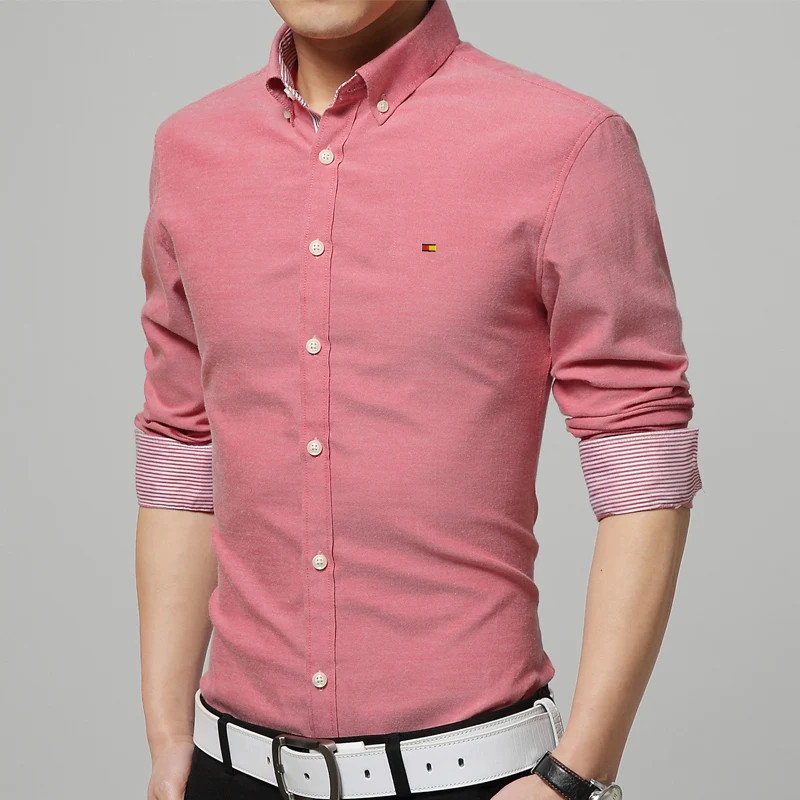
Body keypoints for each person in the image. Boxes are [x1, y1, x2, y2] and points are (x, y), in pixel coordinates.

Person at [133, 2, 702, 799]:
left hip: (473, 779)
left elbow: (641, 448)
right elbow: (181, 443)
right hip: (231, 773)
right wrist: (168, 738)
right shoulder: (190, 149)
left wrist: (578, 773)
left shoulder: (565, 144)